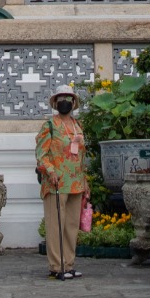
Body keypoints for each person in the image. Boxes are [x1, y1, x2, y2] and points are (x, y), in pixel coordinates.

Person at [36, 90, 89, 278]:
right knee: (56, 224)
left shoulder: (77, 125)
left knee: (71, 225)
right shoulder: (49, 126)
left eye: (68, 99)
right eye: (61, 99)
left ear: (73, 102)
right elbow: (41, 155)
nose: (64, 102)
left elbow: (82, 156)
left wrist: (85, 181)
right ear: (55, 102)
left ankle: (69, 263)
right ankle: (56, 267)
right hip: (56, 182)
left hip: (75, 182)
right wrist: (50, 171)